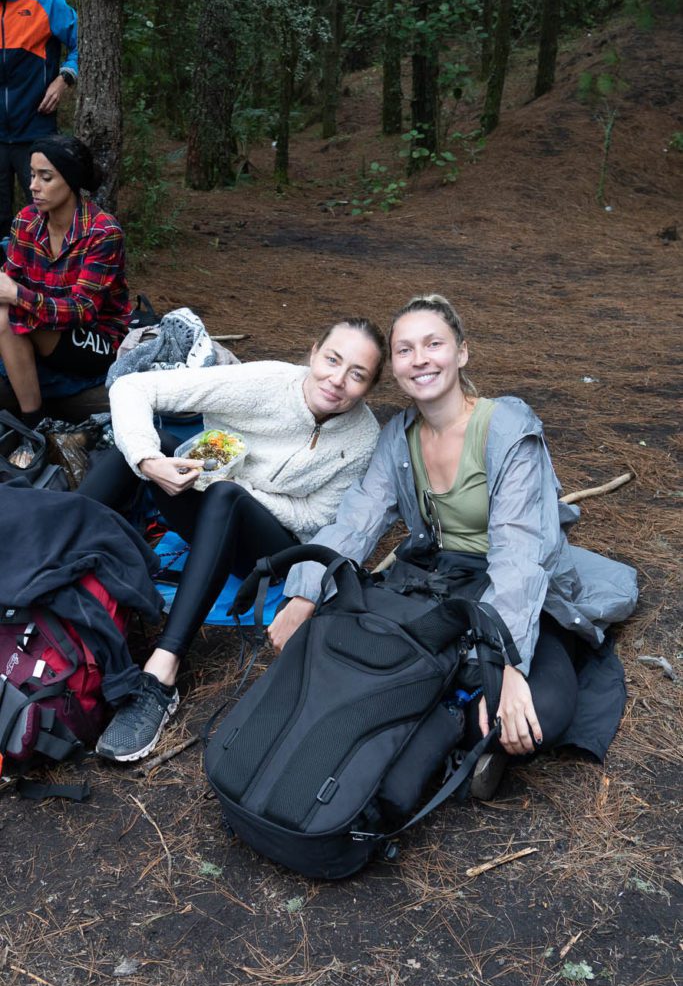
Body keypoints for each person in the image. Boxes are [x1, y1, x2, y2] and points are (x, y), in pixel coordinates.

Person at [272, 294, 638, 798]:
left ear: (461, 353)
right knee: (349, 644)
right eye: (404, 350)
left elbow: (520, 555)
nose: (420, 359)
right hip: (440, 580)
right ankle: (457, 731)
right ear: (394, 367)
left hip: (520, 587)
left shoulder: (506, 429)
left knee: (541, 715)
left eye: (433, 344)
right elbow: (355, 521)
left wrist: (506, 663)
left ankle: (458, 722)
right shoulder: (398, 438)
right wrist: (304, 594)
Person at [80, 317, 387, 762]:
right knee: (139, 450)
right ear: (315, 350)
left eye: (357, 374)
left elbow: (317, 518)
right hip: (208, 504)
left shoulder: (363, 439)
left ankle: (160, 676)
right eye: (332, 360)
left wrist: (237, 489)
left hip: (273, 547)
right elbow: (133, 388)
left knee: (227, 495)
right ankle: (39, 565)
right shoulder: (265, 382)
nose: (337, 380)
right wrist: (149, 458)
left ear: (370, 386)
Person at [0, 134, 130, 425]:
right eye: (32, 175)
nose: (33, 186)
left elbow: (82, 310)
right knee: (3, 313)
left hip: (95, 338)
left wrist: (17, 295)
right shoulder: (26, 220)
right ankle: (34, 418)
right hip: (39, 323)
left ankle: (33, 422)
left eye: (46, 177)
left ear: (70, 180)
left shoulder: (103, 232)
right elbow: (9, 279)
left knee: (7, 316)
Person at [0, 0, 78, 239]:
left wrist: (64, 77)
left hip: (35, 129)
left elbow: (83, 43)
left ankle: (48, 273)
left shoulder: (46, 0)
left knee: (44, 213)